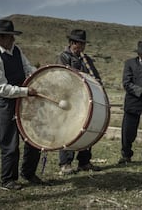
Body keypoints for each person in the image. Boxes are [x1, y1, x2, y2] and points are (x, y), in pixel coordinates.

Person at [0, 19, 43, 190]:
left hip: (23, 101)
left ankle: (28, 172)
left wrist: (40, 75)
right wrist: (25, 91)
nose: (13, 40)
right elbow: (1, 88)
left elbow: (28, 67)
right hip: (5, 104)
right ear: (0, 37)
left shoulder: (16, 50)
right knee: (10, 143)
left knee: (33, 138)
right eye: (10, 37)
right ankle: (8, 179)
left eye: (13, 36)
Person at [57, 29, 102, 174]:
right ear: (71, 43)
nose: (81, 47)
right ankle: (65, 163)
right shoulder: (63, 57)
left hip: (84, 101)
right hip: (69, 101)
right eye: (79, 44)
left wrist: (97, 82)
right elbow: (63, 77)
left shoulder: (86, 59)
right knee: (69, 131)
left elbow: (95, 77)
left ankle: (84, 162)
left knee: (86, 129)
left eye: (83, 44)